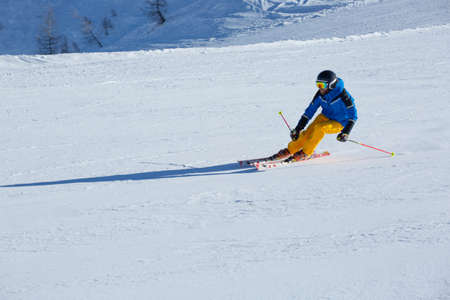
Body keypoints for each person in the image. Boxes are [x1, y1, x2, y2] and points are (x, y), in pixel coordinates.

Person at [270, 70, 357, 162]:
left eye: (322, 85)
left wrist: (346, 132)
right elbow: (309, 112)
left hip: (340, 122)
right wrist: (298, 129)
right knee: (309, 131)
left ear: (331, 85)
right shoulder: (320, 95)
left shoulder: (343, 96)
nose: (320, 88)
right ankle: (291, 149)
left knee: (320, 128)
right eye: (318, 85)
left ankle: (306, 152)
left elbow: (353, 116)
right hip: (325, 116)